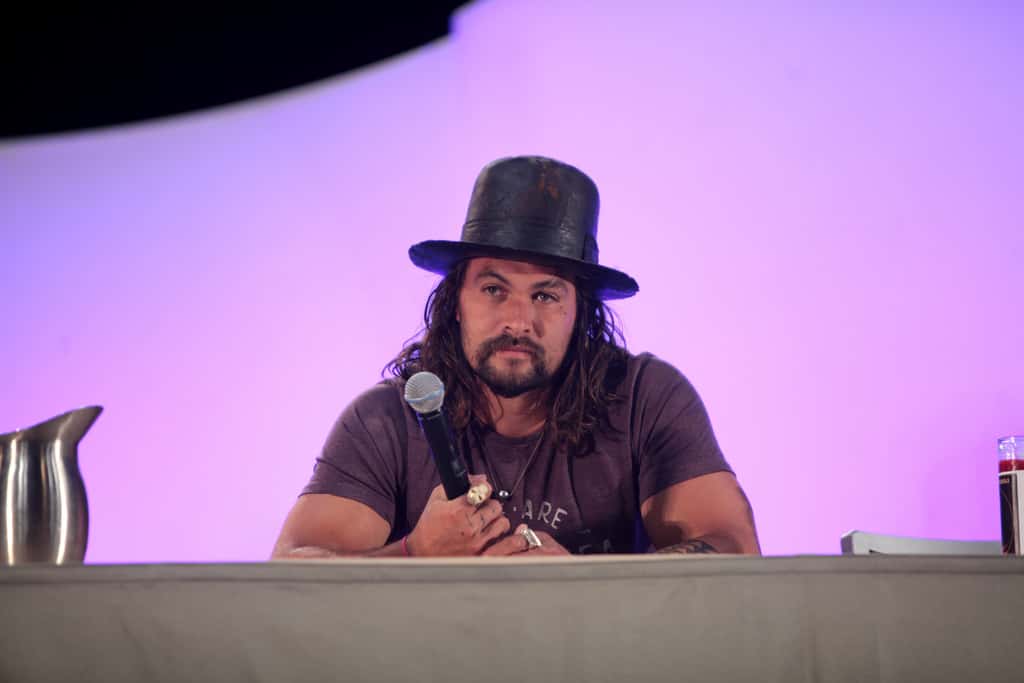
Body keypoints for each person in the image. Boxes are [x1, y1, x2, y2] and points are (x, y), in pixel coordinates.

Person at [272, 156, 760, 558]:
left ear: (580, 313)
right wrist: (415, 553)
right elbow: (294, 574)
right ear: (455, 302)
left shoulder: (646, 398)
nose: (519, 321)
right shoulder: (387, 418)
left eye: (546, 296)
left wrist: (588, 582)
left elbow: (732, 550)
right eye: (493, 289)